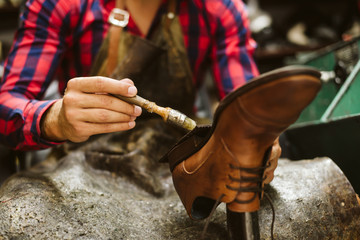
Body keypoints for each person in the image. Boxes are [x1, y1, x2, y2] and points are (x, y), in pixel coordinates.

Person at [0, 0, 279, 210]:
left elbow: (248, 108)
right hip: (82, 163)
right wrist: (54, 119)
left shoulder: (220, 9)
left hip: (179, 160)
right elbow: (7, 103)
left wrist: (258, 139)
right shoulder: (60, 5)